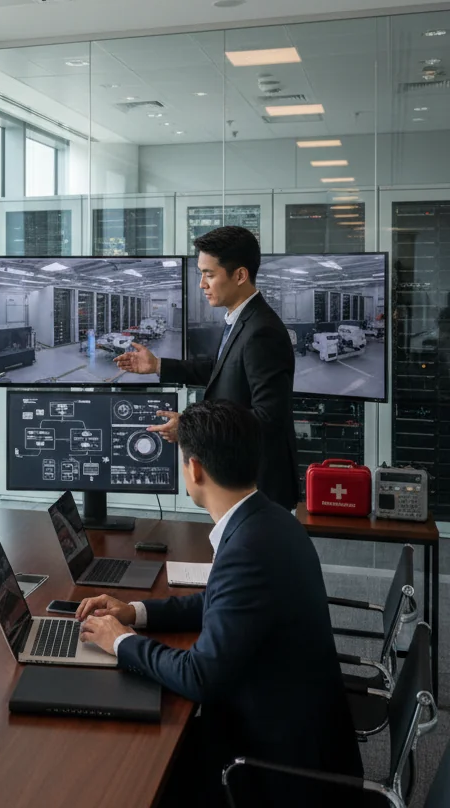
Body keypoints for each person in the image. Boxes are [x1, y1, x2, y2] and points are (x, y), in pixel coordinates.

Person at [76, 400, 361, 807]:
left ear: (194, 469)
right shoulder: (271, 520)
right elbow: (219, 599)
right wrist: (136, 613)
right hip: (300, 730)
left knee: (129, 776)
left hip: (275, 767)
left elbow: (200, 677)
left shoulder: (249, 546)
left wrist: (121, 642)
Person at [114, 225, 298, 508]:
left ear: (240, 275)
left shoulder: (263, 331)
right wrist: (158, 365)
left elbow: (268, 419)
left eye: (209, 274)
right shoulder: (241, 319)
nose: (202, 284)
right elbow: (219, 369)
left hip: (258, 489)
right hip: (241, 484)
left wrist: (191, 430)